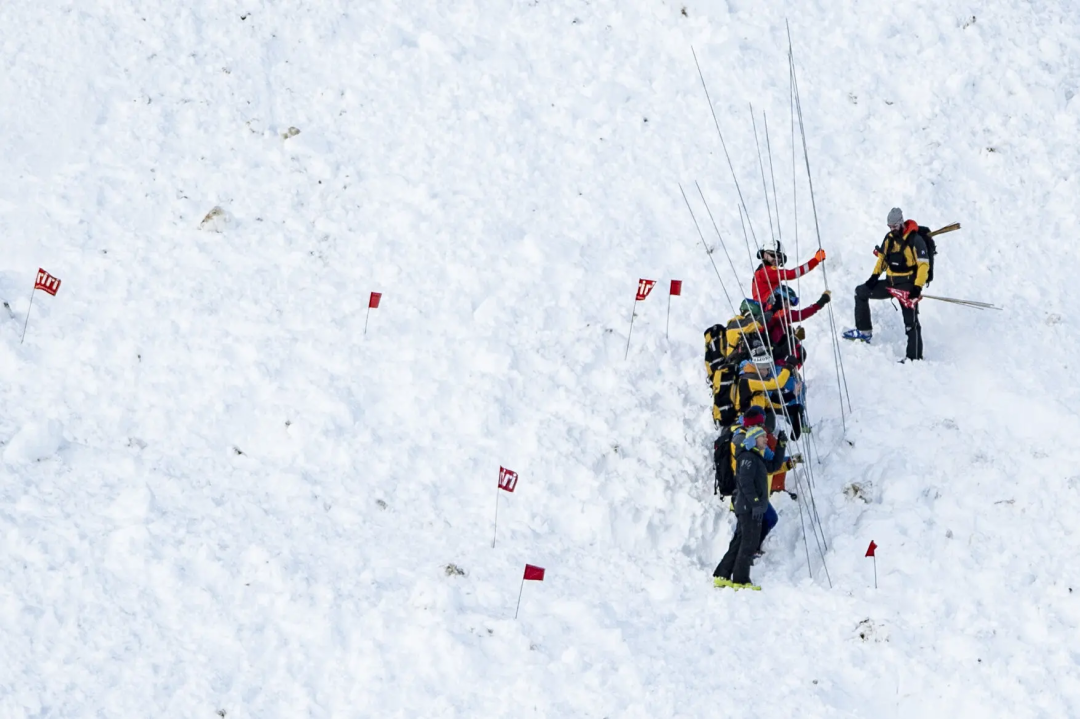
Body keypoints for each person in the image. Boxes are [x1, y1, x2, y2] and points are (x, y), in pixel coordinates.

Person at [843, 208, 929, 361]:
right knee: (860, 292)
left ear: (901, 223)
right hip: (890, 284)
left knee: (911, 322)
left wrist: (917, 287)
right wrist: (874, 278)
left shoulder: (915, 240)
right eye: (890, 227)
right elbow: (882, 259)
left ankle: (914, 358)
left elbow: (923, 266)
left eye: (894, 226)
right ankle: (864, 331)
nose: (892, 229)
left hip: (907, 286)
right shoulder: (889, 238)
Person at [713, 425, 788, 590]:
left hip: (748, 507)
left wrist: (781, 446)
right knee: (748, 543)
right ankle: (740, 580)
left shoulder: (756, 457)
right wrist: (755, 503)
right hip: (748, 507)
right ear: (754, 440)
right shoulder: (747, 457)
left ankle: (722, 575)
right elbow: (745, 483)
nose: (766, 440)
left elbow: (774, 466)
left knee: (740, 542)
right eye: (763, 437)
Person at [751, 240, 827, 303]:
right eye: (773, 255)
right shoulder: (766, 271)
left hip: (766, 309)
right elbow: (791, 274)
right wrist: (815, 260)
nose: (776, 259)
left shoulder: (762, 271)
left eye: (779, 257)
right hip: (766, 309)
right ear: (764, 255)